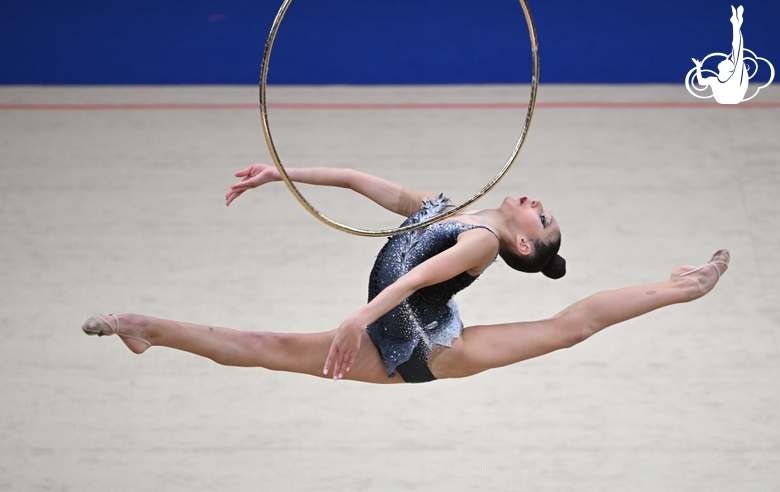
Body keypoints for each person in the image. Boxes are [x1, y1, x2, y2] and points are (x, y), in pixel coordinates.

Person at [82, 164, 729, 384]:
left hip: (419, 347)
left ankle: (684, 287)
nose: (533, 200)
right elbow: (374, 186)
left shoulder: (478, 241)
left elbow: (419, 281)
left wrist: (359, 316)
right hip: (410, 329)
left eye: (543, 215)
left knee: (570, 328)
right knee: (264, 347)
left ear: (525, 246)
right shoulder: (463, 215)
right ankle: (143, 328)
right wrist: (283, 172)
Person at [692, 5, 748, 104]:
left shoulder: (734, 77)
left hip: (732, 98)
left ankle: (736, 24)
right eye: (727, 60)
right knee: (736, 51)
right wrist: (698, 67)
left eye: (727, 61)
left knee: (737, 50)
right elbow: (701, 82)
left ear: (729, 69)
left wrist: (736, 26)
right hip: (728, 98)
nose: (724, 59)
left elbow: (737, 48)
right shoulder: (714, 79)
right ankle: (736, 24)